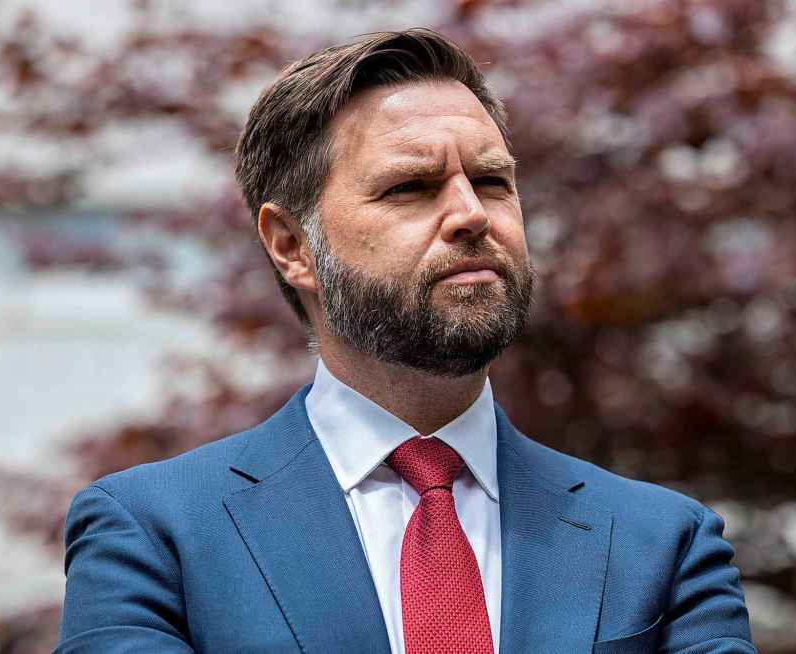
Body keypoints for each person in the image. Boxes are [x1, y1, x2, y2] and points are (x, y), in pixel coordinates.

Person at [55, 28, 755, 654]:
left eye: (492, 181)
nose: (472, 215)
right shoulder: (153, 536)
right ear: (292, 246)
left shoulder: (664, 544)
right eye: (411, 187)